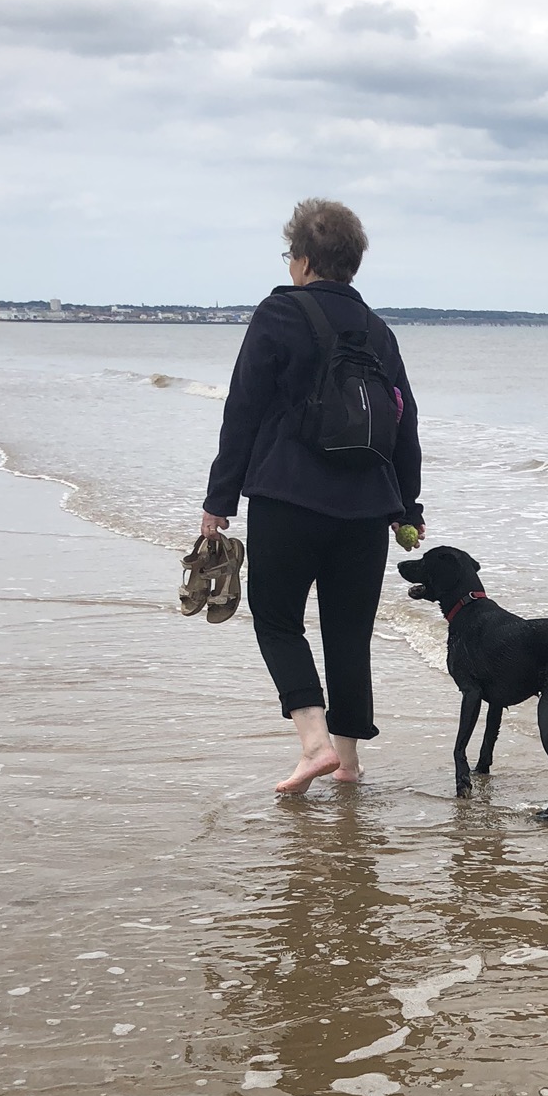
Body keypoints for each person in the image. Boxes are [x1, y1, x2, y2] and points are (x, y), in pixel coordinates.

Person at [201, 199, 424, 794]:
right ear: (351, 263)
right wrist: (407, 507)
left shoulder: (278, 313)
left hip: (288, 498)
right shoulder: (378, 329)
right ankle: (348, 766)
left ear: (301, 259)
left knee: (276, 621)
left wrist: (218, 499)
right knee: (348, 635)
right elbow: (404, 421)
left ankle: (314, 744)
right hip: (367, 509)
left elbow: (242, 409)